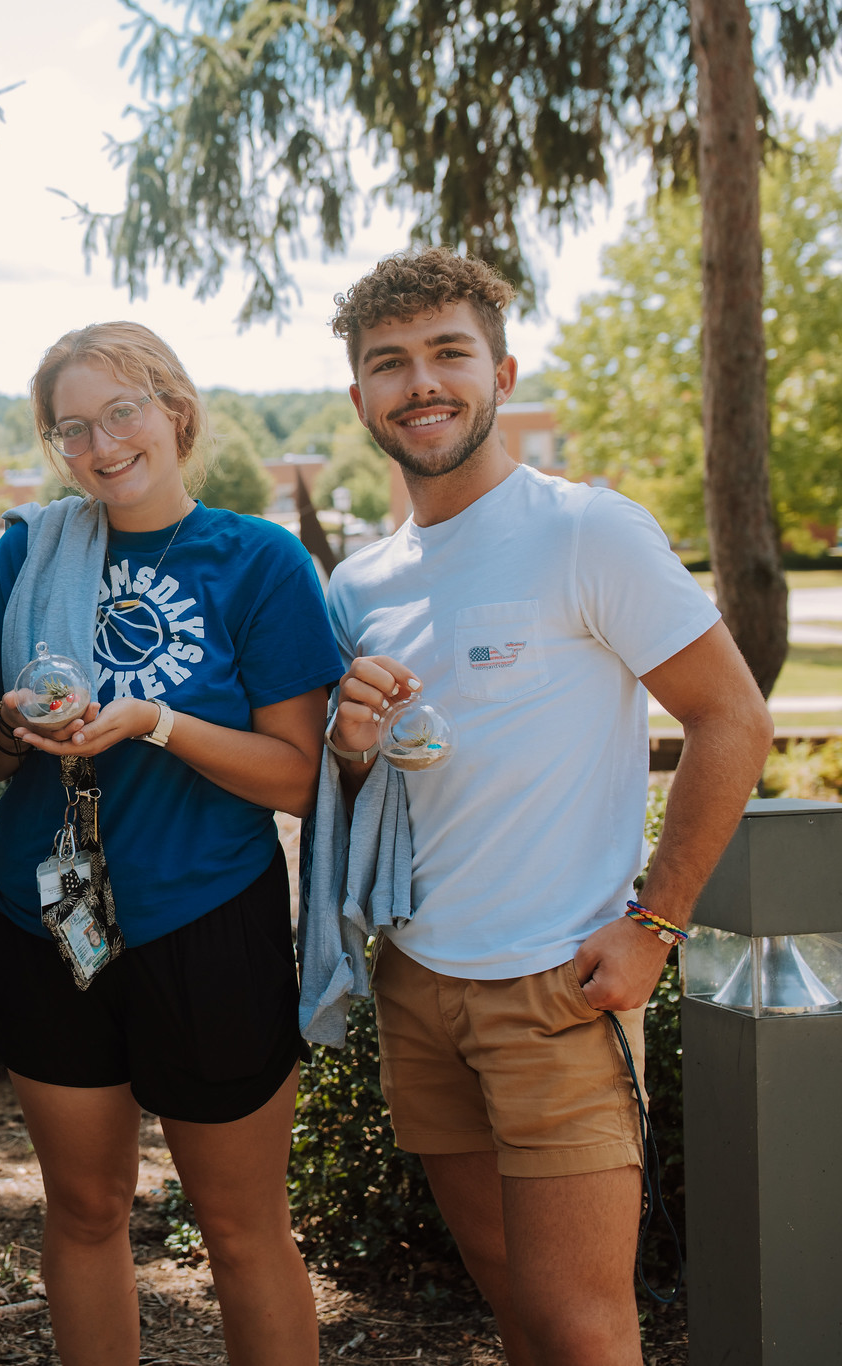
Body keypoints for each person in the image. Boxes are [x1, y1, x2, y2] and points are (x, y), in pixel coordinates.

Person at [320, 248, 773, 1365]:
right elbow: (363, 795)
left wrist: (653, 926)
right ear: (358, 398)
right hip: (416, 982)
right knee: (513, 1309)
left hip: (558, 988)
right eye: (388, 363)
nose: (418, 382)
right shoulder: (357, 585)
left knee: (580, 1328)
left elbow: (732, 719)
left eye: (446, 354)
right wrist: (349, 748)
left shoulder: (586, 531)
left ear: (501, 371)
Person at [0, 321, 339, 1366]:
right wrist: (10, 729)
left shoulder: (256, 559)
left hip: (204, 921)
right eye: (69, 427)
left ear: (174, 411)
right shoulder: (28, 549)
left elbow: (296, 773)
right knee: (83, 1210)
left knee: (239, 1228)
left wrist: (151, 722)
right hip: (42, 922)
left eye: (120, 411)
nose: (99, 443)